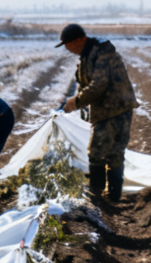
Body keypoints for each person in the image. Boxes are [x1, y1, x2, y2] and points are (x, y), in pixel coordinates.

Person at [59, 23, 138, 204]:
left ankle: (102, 197)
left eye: (68, 44)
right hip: (104, 109)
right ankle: (105, 197)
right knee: (102, 152)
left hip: (116, 108)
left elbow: (99, 84)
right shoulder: (86, 56)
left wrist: (76, 102)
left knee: (104, 153)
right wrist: (76, 100)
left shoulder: (102, 53)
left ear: (79, 39)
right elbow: (85, 84)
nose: (67, 48)